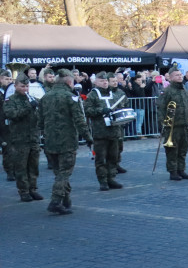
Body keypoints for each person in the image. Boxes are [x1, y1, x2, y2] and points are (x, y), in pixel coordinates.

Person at [39, 69, 91, 215]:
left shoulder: (45, 97)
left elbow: (40, 122)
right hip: (67, 141)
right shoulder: (71, 97)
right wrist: (88, 137)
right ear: (69, 81)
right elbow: (80, 120)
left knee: (59, 173)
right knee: (64, 173)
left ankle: (66, 200)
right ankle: (55, 201)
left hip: (50, 141)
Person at [83, 72, 128, 190]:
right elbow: (87, 110)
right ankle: (103, 181)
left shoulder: (114, 94)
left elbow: (121, 107)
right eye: (102, 81)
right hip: (100, 131)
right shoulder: (92, 95)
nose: (105, 83)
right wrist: (101, 110)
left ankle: (111, 178)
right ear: (96, 82)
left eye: (106, 81)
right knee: (101, 158)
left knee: (113, 157)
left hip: (114, 130)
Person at [3, 73, 44, 202]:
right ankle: (23, 191)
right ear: (15, 86)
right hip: (19, 139)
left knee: (33, 165)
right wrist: (27, 107)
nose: (25, 89)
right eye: (22, 86)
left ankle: (33, 189)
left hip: (33, 137)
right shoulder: (10, 100)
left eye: (27, 86)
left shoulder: (31, 98)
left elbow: (40, 114)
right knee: (21, 166)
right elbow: (12, 114)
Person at [157, 64, 188, 180]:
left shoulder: (184, 89)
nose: (180, 77)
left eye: (180, 75)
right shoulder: (167, 91)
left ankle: (181, 169)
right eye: (177, 75)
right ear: (170, 77)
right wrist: (162, 124)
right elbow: (161, 109)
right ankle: (173, 171)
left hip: (185, 125)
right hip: (173, 126)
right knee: (172, 150)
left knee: (183, 149)